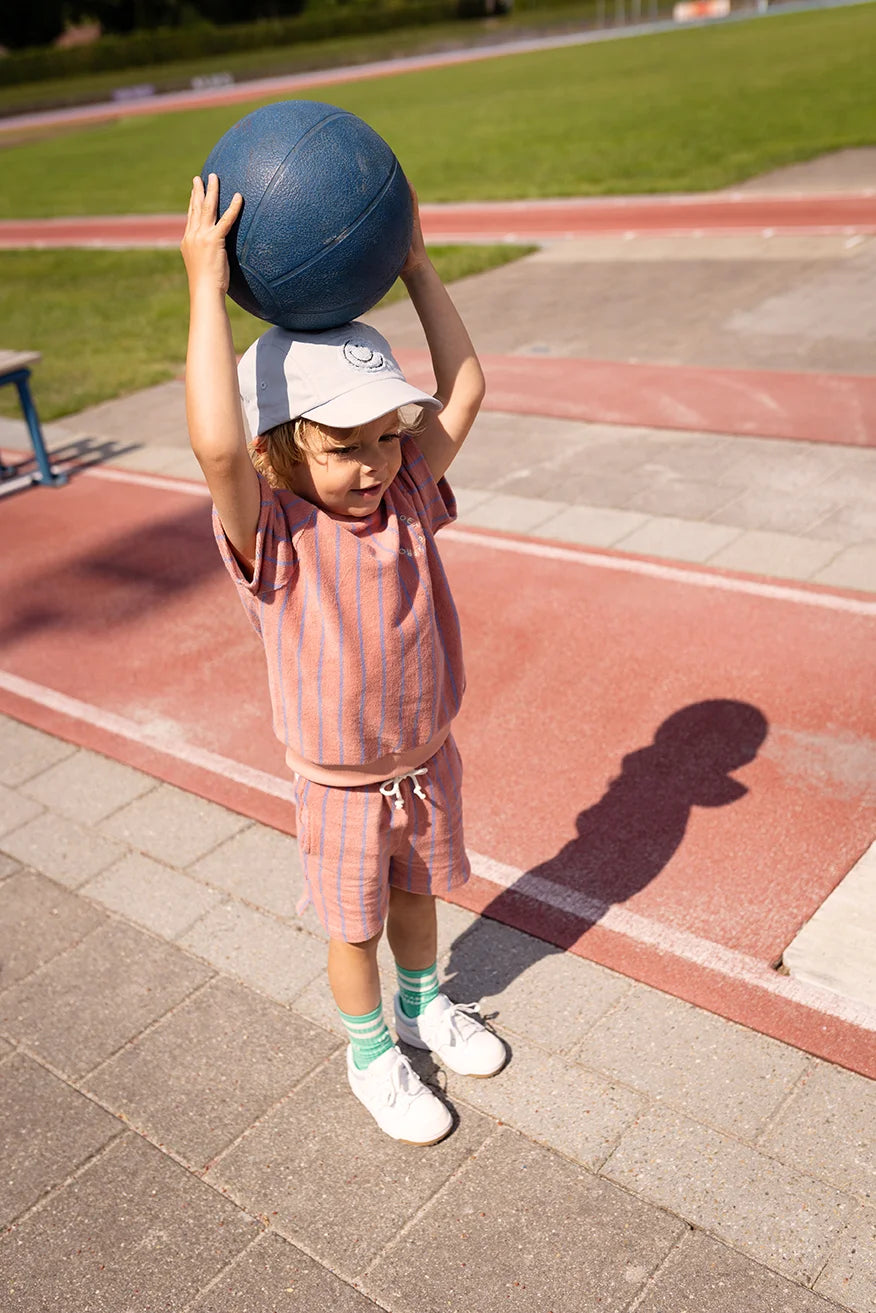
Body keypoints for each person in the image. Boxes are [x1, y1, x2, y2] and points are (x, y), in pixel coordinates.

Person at [181, 173, 506, 1146]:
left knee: (417, 905)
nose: (373, 465)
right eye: (342, 448)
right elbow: (216, 448)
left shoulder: (406, 493)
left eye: (385, 438)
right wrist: (205, 283)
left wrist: (415, 265)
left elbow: (469, 387)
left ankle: (424, 1004)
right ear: (283, 449)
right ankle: (370, 1053)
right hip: (339, 789)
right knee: (352, 930)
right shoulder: (270, 534)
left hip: (426, 761)